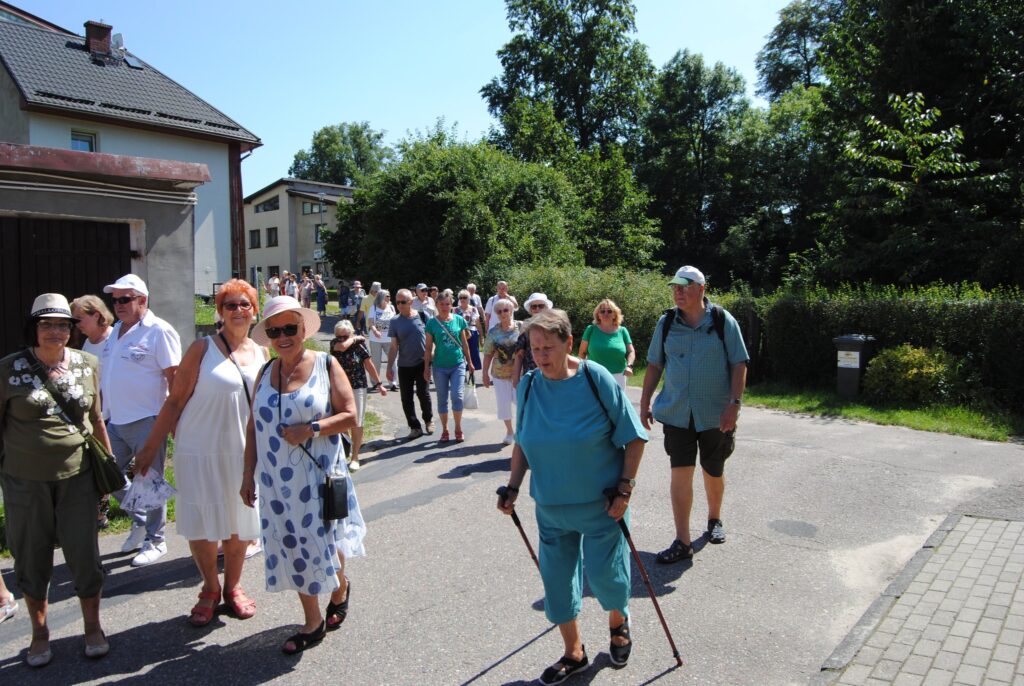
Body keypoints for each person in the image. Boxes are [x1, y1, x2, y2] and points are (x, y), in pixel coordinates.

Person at [497, 309, 648, 684]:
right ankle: (574, 652)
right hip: (550, 507)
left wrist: (625, 488)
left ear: (568, 342)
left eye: (549, 346)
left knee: (605, 576)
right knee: (557, 583)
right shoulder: (530, 385)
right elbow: (523, 443)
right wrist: (513, 487)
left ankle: (618, 620)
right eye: (535, 348)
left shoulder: (595, 379)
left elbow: (634, 437)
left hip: (603, 506)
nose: (541, 355)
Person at [131, 279, 265, 626]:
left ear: (255, 310)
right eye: (230, 305)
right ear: (219, 312)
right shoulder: (201, 349)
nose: (238, 311)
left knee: (238, 523)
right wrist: (149, 448)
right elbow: (174, 401)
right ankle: (209, 588)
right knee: (204, 525)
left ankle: (233, 587)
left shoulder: (262, 353)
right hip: (199, 448)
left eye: (244, 304)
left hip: (241, 450)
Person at [241, 296, 366, 655]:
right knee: (295, 545)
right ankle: (313, 619)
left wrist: (310, 428)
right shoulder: (265, 373)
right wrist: (247, 473)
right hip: (277, 484)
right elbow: (253, 426)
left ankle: (338, 590)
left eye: (290, 328)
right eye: (275, 330)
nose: (283, 336)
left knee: (327, 540)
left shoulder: (326, 365)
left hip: (320, 476)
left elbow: (350, 415)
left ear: (303, 329)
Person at [0, 293, 113, 666]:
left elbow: (96, 420)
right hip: (24, 481)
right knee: (31, 558)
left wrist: (108, 468)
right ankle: (40, 633)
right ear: (34, 327)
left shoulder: (88, 363)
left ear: (72, 329)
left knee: (84, 554)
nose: (55, 331)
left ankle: (93, 627)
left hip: (78, 478)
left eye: (63, 324)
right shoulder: (8, 368)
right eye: (46, 324)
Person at [640, 266, 749, 563]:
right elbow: (654, 365)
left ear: (701, 289)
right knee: (680, 473)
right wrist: (645, 401)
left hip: (715, 414)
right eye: (675, 287)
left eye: (685, 287)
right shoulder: (666, 323)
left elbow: (739, 364)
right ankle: (682, 541)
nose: (678, 292)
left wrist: (734, 405)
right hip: (677, 413)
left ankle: (714, 519)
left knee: (713, 469)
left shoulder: (722, 321)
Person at [100, 274, 182, 567]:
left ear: (143, 301)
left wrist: (172, 422)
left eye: (125, 299)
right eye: (115, 300)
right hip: (114, 419)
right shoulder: (115, 332)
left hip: (148, 418)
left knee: (149, 481)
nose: (118, 305)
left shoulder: (159, 330)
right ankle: (140, 521)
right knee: (106, 476)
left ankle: (156, 540)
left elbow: (175, 378)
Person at [70, 295, 116, 529]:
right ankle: (100, 514)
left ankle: (145, 516)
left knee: (112, 466)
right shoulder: (89, 344)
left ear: (96, 315)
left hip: (115, 416)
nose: (76, 324)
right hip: (96, 416)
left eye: (79, 318)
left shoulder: (114, 339)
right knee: (97, 466)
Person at [331, 319, 387, 471]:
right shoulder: (335, 344)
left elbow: (369, 365)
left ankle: (355, 456)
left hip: (357, 387)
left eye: (345, 336)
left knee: (357, 421)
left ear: (350, 333)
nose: (341, 339)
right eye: (339, 336)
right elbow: (341, 347)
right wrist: (354, 338)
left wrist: (379, 384)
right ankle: (344, 450)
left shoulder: (360, 347)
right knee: (341, 421)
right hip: (339, 388)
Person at [424, 292, 474, 443]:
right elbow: (427, 348)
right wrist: (426, 367)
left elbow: (465, 343)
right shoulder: (431, 323)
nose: (445, 307)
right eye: (442, 304)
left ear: (451, 305)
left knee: (457, 397)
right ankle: (445, 429)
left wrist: (470, 362)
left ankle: (458, 428)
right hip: (439, 366)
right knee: (442, 399)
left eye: (447, 304)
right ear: (437, 305)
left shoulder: (459, 320)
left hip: (457, 364)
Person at [386, 289, 433, 439]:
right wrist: (389, 367)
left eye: (403, 302)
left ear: (411, 302)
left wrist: (432, 353)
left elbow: (432, 338)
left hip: (422, 363)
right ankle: (414, 426)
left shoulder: (422, 316)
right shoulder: (394, 321)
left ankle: (428, 420)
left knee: (423, 393)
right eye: (397, 302)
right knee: (406, 398)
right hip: (404, 365)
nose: (399, 305)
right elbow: (394, 347)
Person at [481, 298, 521, 445]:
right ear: (496, 314)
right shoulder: (493, 332)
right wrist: (484, 374)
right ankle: (510, 432)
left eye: (506, 310)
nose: (503, 313)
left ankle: (521, 430)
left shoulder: (521, 327)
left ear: (511, 311)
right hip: (500, 374)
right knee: (504, 404)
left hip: (519, 373)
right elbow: (488, 354)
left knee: (521, 403)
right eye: (499, 311)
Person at [578, 299, 636, 391]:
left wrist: (629, 366)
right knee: (595, 404)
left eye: (609, 311)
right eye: (602, 311)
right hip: (595, 375)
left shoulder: (622, 331)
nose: (606, 313)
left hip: (618, 376)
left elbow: (631, 351)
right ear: (598, 315)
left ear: (614, 315)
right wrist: (584, 371)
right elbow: (582, 353)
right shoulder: (591, 329)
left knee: (617, 404)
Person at [512, 292, 553, 387]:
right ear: (530, 310)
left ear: (546, 308)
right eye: (534, 307)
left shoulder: (553, 325)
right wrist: (516, 377)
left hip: (552, 373)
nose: (537, 309)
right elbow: (519, 354)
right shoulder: (526, 326)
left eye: (541, 306)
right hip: (531, 374)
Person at [367, 289, 397, 391]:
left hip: (389, 339)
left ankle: (393, 382)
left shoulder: (391, 307)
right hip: (376, 339)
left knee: (392, 361)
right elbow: (370, 322)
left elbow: (395, 322)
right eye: (386, 296)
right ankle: (376, 382)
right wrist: (375, 331)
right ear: (381, 297)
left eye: (389, 296)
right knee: (376, 362)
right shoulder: (373, 308)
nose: (389, 298)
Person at [456, 289, 483, 378]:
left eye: (465, 297)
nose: (462, 299)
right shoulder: (455, 310)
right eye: (461, 297)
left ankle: (471, 374)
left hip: (472, 332)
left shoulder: (474, 309)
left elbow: (478, 323)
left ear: (469, 298)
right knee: (461, 353)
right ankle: (461, 374)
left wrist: (481, 336)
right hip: (460, 333)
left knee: (473, 353)